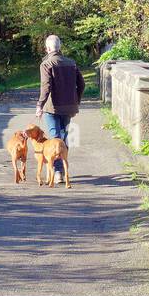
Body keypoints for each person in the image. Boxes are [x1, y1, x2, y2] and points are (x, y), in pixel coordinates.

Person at [34, 34, 84, 184]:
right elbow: (81, 84)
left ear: (48, 48)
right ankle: (62, 170)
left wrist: (40, 105)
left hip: (52, 108)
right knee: (63, 138)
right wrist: (76, 101)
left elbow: (46, 87)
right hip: (68, 108)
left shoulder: (46, 64)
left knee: (54, 138)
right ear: (59, 47)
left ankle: (57, 172)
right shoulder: (71, 63)